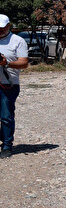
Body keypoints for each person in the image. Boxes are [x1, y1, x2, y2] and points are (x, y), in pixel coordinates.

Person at [0, 14, 28, 158]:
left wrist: (7, 63)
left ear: (8, 26)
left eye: (2, 28)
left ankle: (7, 145)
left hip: (8, 85)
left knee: (6, 116)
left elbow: (24, 63)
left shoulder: (18, 41)